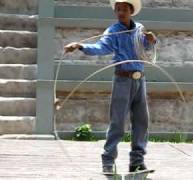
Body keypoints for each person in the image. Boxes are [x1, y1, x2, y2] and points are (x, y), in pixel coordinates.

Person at [64, 0, 156, 173]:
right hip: (123, 79)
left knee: (141, 121)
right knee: (118, 122)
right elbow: (100, 47)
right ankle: (108, 161)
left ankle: (137, 162)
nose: (120, 12)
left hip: (140, 79)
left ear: (131, 11)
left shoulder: (139, 30)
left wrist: (152, 40)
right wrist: (80, 46)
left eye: (124, 9)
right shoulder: (112, 32)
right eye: (118, 9)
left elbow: (147, 48)